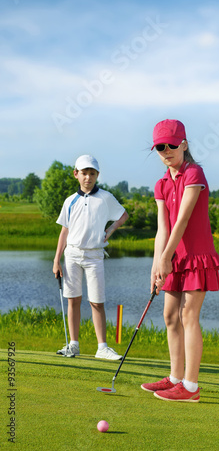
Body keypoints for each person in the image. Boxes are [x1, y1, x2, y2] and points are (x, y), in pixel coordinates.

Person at [141, 119, 219, 402]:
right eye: (160, 147)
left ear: (184, 144)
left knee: (188, 316)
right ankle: (175, 377)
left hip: (196, 256)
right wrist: (156, 265)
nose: (165, 151)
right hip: (172, 257)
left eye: (171, 145)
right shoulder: (161, 184)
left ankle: (190, 387)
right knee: (169, 316)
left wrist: (165, 259)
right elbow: (162, 229)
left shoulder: (193, 173)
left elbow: (183, 220)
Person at [53, 154, 128, 360]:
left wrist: (110, 229)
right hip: (72, 255)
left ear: (97, 175)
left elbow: (123, 215)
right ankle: (74, 345)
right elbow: (64, 232)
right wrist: (56, 259)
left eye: (92, 173)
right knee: (73, 300)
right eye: (84, 173)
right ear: (76, 174)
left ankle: (102, 348)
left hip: (95, 256)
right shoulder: (70, 201)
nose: (88, 177)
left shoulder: (105, 197)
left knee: (97, 301)